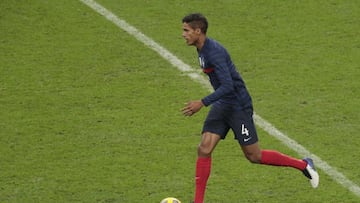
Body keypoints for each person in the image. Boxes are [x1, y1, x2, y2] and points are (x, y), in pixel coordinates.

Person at [181, 13, 319, 203]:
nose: (183, 34)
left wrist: (202, 102)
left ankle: (304, 164)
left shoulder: (214, 52)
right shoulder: (201, 48)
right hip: (223, 104)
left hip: (238, 106)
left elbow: (228, 86)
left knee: (254, 156)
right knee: (204, 148)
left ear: (198, 31)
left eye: (186, 30)